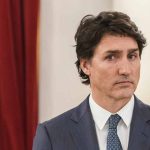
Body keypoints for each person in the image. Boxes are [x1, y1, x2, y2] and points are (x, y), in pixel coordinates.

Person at [32, 11, 150, 150]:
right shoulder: (53, 135)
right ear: (86, 65)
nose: (125, 70)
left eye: (132, 56)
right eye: (111, 57)